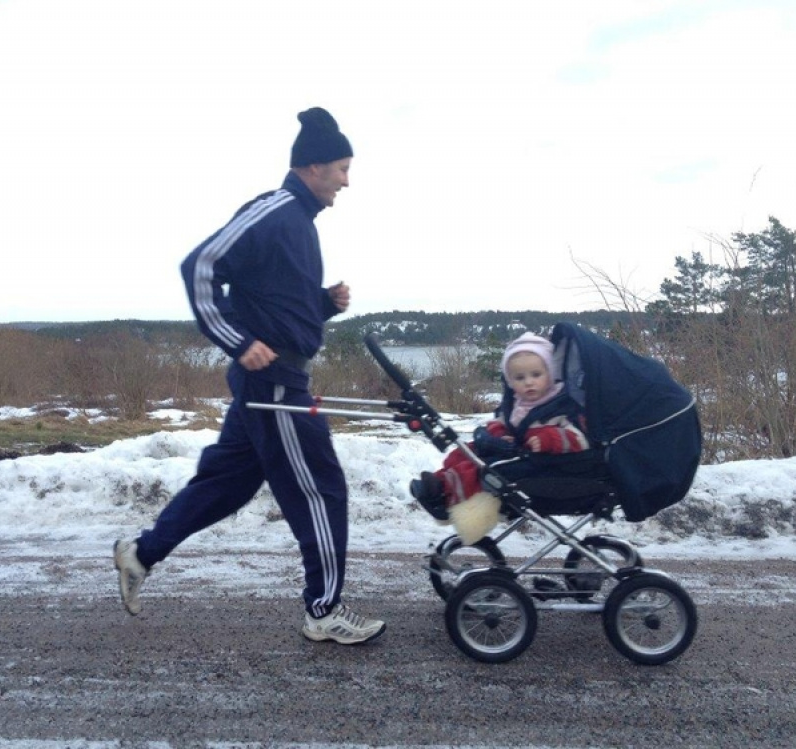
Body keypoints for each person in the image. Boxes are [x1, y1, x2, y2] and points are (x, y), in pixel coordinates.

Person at [113, 107, 386, 645]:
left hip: (276, 379)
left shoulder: (300, 226)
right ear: (312, 166)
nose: (347, 181)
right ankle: (324, 609)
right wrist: (237, 343)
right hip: (276, 385)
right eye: (341, 168)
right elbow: (200, 266)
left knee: (226, 485)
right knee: (320, 489)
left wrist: (322, 304)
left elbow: (272, 302)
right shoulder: (275, 211)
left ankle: (141, 554)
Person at [410, 332, 589, 543]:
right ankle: (439, 482)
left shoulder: (560, 405)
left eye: (536, 374)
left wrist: (549, 439)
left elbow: (579, 438)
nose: (529, 383)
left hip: (544, 464)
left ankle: (446, 494)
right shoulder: (518, 404)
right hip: (515, 451)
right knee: (465, 452)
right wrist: (498, 434)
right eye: (520, 378)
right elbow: (501, 423)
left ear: (550, 374)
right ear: (511, 381)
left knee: (483, 469)